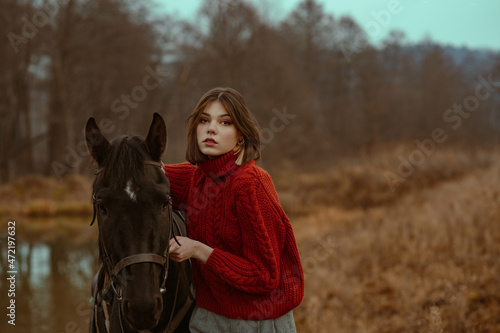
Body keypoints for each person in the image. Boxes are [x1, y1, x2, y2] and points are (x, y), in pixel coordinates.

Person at [164, 87, 304, 332]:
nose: (211, 129)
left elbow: (264, 275)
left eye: (225, 122)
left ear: (241, 135)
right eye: (204, 120)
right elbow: (145, 173)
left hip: (257, 321)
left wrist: (198, 249)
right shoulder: (193, 178)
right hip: (207, 318)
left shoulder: (250, 184)